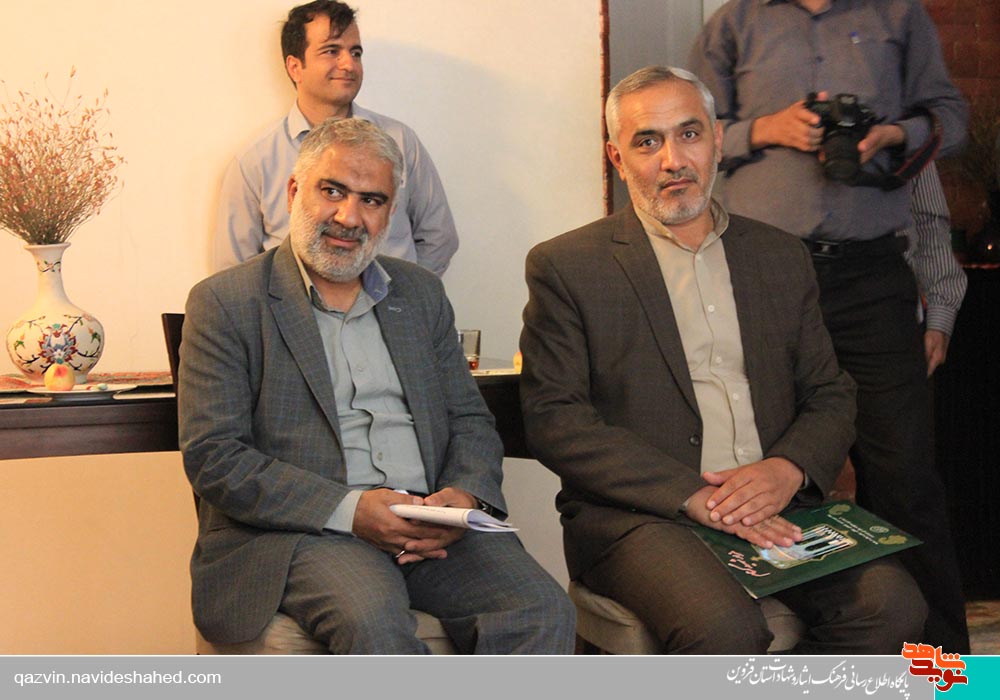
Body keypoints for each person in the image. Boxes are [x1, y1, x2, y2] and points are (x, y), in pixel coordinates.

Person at [519, 65, 926, 654]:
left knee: (892, 606)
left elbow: (830, 392)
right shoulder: (568, 267)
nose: (673, 161)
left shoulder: (779, 256)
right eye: (647, 141)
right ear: (617, 158)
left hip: (779, 504)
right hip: (645, 518)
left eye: (689, 134)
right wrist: (693, 495)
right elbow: (556, 420)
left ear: (715, 140)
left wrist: (788, 468)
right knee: (725, 629)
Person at [181, 117, 575, 654]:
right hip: (306, 532)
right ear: (294, 192)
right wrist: (351, 511)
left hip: (429, 523)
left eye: (371, 200)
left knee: (541, 609)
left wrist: (463, 495)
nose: (349, 217)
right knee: (372, 618)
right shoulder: (226, 302)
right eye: (332, 191)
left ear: (390, 214)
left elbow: (469, 419)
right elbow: (215, 456)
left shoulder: (421, 293)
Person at [688, 0, 970, 652]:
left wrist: (892, 134)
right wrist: (767, 128)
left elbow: (951, 120)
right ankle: (799, 654)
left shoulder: (899, 15)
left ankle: (942, 677)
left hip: (872, 277)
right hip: (760, 277)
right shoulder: (734, 22)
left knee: (906, 480)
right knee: (757, 465)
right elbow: (690, 132)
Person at [214, 0, 458, 276]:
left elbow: (439, 238)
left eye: (355, 53)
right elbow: (233, 272)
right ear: (295, 67)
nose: (349, 64)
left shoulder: (400, 141)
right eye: (332, 51)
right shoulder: (256, 163)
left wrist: (402, 295)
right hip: (296, 305)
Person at [901, 163, 967, 377]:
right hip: (812, 305)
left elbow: (929, 222)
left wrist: (940, 317)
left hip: (893, 308)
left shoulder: (911, 142)